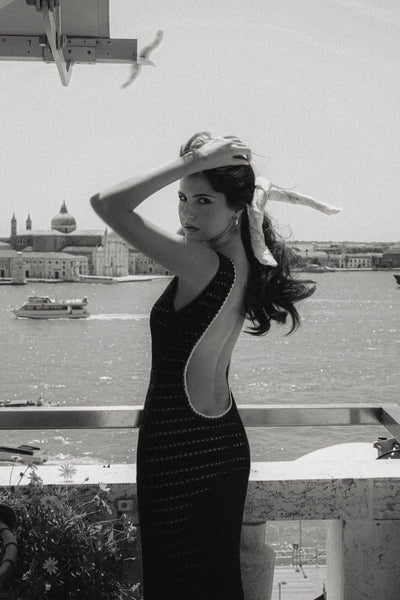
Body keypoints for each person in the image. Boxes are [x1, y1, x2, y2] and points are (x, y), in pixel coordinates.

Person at [90, 131, 333, 600]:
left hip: (180, 444)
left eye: (203, 199)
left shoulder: (204, 263)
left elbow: (107, 204)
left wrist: (189, 162)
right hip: (221, 440)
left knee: (176, 582)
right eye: (182, 198)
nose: (186, 211)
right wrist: (198, 167)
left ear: (237, 207)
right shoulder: (242, 260)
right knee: (215, 583)